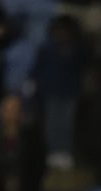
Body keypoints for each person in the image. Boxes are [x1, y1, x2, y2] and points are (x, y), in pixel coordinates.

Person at [31, 17, 83, 170]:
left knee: (66, 124)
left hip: (70, 92)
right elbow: (37, 69)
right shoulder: (46, 48)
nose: (61, 33)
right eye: (58, 30)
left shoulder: (76, 48)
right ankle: (53, 153)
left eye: (64, 30)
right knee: (53, 124)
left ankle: (64, 153)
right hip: (51, 92)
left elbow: (82, 67)